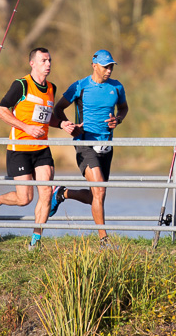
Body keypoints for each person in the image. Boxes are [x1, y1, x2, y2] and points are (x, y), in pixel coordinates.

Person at [0, 47, 73, 250]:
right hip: (19, 149)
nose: (48, 64)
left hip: (42, 149)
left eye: (50, 60)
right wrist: (26, 127)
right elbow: (0, 110)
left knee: (46, 193)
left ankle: (35, 242)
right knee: (24, 198)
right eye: (44, 60)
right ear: (32, 63)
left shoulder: (52, 88)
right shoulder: (21, 85)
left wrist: (61, 124)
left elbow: (46, 117)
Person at [51, 49, 129, 244]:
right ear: (94, 65)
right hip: (84, 143)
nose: (109, 70)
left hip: (106, 145)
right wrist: (69, 126)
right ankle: (104, 240)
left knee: (97, 195)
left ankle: (62, 193)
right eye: (105, 66)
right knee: (99, 191)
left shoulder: (117, 87)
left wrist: (118, 119)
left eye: (111, 67)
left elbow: (124, 108)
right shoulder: (80, 86)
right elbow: (58, 108)